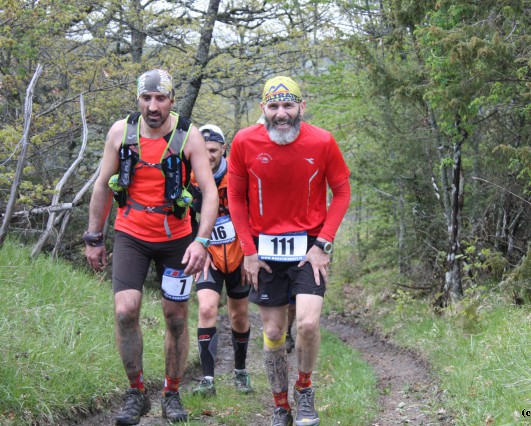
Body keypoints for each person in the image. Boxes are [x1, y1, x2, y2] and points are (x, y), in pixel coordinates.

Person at [84, 69, 218, 425]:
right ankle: (137, 392)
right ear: (138, 99)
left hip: (176, 239)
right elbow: (102, 186)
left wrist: (201, 241)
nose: (153, 106)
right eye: (146, 98)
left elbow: (210, 192)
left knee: (175, 318)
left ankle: (171, 393)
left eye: (160, 98)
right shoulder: (121, 132)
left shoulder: (189, 136)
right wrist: (94, 237)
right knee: (126, 311)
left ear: (172, 100)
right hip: (131, 234)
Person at [227, 76, 351, 426]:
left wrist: (323, 243)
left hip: (309, 248)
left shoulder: (323, 141)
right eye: (274, 106)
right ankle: (281, 405)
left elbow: (341, 192)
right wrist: (247, 250)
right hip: (263, 251)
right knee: (273, 333)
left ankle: (305, 392)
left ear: (302, 107)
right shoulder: (244, 142)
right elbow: (235, 197)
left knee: (309, 324)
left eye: (288, 105)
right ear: (263, 109)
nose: (281, 114)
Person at [188, 124, 253, 396]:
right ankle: (207, 381)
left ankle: (240, 372)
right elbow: (186, 219)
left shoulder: (238, 176)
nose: (209, 155)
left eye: (213, 150)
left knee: (239, 316)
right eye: (204, 150)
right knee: (206, 309)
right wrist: (197, 247)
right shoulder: (190, 180)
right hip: (209, 256)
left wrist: (251, 252)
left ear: (223, 149)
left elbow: (254, 215)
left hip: (238, 256)